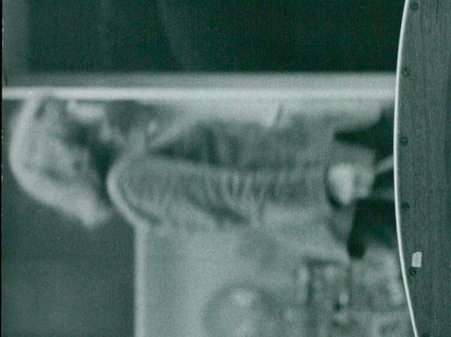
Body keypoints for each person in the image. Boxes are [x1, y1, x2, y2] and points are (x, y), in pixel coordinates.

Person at [8, 95, 385, 262]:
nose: (80, 108)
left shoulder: (130, 160)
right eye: (70, 115)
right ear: (71, 149)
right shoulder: (129, 180)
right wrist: (326, 188)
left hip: (329, 170)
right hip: (331, 192)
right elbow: (235, 196)